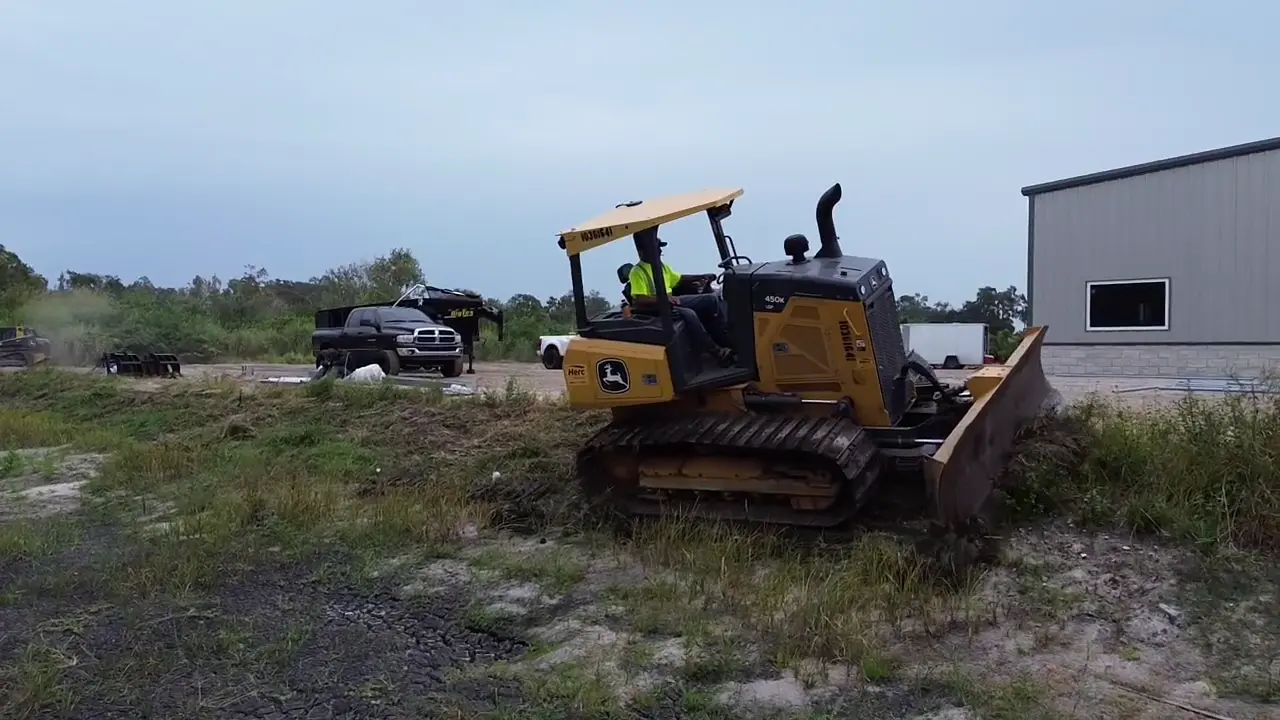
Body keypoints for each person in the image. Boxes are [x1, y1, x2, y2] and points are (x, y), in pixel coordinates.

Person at [627, 228, 733, 364]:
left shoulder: (661, 266)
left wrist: (702, 276)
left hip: (671, 302)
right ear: (643, 250)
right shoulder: (637, 272)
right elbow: (639, 300)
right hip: (657, 309)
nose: (660, 251)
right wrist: (664, 299)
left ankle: (725, 340)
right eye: (657, 247)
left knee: (711, 300)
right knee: (690, 314)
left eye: (659, 247)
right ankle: (716, 352)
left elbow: (679, 278)